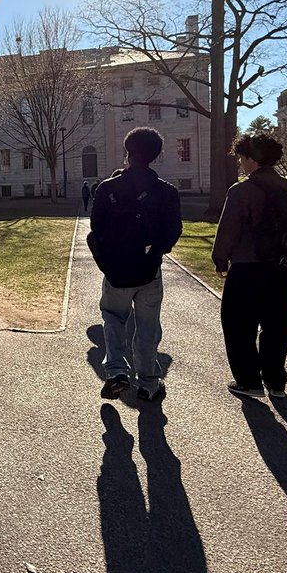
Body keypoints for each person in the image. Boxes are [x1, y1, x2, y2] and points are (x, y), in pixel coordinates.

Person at [87, 127, 182, 402]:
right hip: (149, 268)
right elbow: (173, 231)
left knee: (113, 317)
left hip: (116, 268)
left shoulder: (107, 188)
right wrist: (156, 251)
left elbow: (96, 226)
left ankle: (116, 369)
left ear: (127, 152)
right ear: (156, 155)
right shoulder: (166, 191)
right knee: (148, 326)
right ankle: (149, 381)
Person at [212, 132, 287, 400]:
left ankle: (249, 380)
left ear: (251, 158)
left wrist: (220, 259)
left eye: (242, 157)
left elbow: (229, 230)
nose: (240, 163)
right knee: (277, 325)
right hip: (282, 268)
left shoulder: (241, 191)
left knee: (239, 325)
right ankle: (276, 382)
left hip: (247, 266)